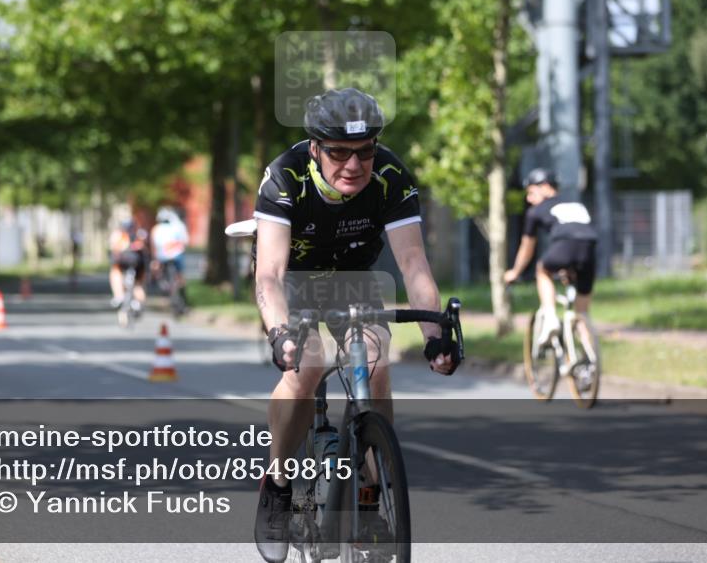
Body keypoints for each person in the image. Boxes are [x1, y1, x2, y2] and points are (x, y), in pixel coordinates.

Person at [252, 88, 459, 562]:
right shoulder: (285, 176)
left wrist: (433, 335)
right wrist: (280, 333)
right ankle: (278, 483)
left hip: (353, 279)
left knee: (377, 363)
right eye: (339, 153)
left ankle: (372, 488)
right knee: (305, 367)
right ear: (315, 149)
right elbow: (270, 274)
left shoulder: (390, 176)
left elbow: (414, 264)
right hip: (294, 281)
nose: (353, 164)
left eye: (364, 152)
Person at [503, 168, 598, 356]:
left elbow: (527, 247)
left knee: (542, 270)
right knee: (582, 313)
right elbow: (579, 233)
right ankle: (591, 360)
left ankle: (550, 316)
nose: (529, 199)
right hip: (590, 249)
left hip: (565, 245)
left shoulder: (535, 211)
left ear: (545, 187)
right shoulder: (577, 205)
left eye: (531, 192)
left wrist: (515, 272)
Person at [150, 207, 189, 305]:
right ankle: (183, 296)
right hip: (177, 256)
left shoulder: (156, 229)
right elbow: (184, 242)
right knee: (180, 275)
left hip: (162, 257)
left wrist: (155, 258)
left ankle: (160, 285)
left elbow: (153, 245)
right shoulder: (177, 227)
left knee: (156, 269)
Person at [108, 218, 148, 311]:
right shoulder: (140, 233)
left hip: (124, 261)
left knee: (115, 272)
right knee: (138, 284)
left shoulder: (118, 234)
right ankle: (139, 303)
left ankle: (119, 296)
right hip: (138, 263)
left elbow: (113, 248)